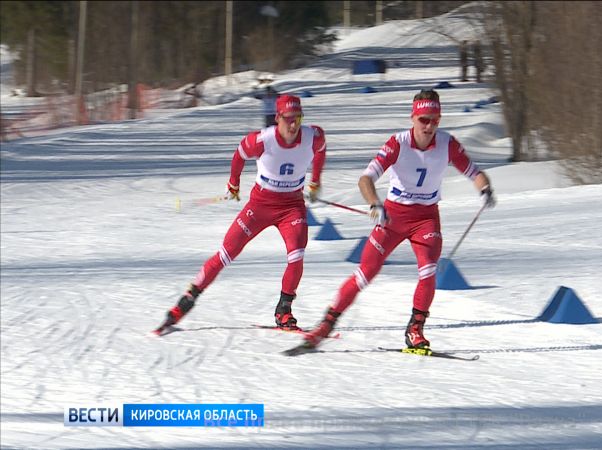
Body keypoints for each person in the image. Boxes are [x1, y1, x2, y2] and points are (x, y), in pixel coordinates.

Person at [296, 89, 495, 350]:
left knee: (428, 271)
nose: (429, 126)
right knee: (366, 272)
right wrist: (374, 204)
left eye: (435, 120)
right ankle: (328, 322)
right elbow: (365, 179)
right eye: (424, 119)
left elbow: (475, 173)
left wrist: (485, 189)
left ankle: (415, 329)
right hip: (393, 217)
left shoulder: (448, 144)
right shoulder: (397, 143)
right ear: (413, 118)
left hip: (426, 218)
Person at [155, 94, 326, 334]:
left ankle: (284, 310)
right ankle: (185, 302)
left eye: (297, 118)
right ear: (277, 118)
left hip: (291, 206)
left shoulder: (313, 135)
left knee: (296, 255)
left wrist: (315, 181)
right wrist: (233, 184)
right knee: (227, 253)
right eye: (288, 119)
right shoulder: (262, 140)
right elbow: (239, 155)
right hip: (261, 204)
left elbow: (321, 150)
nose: (293, 124)